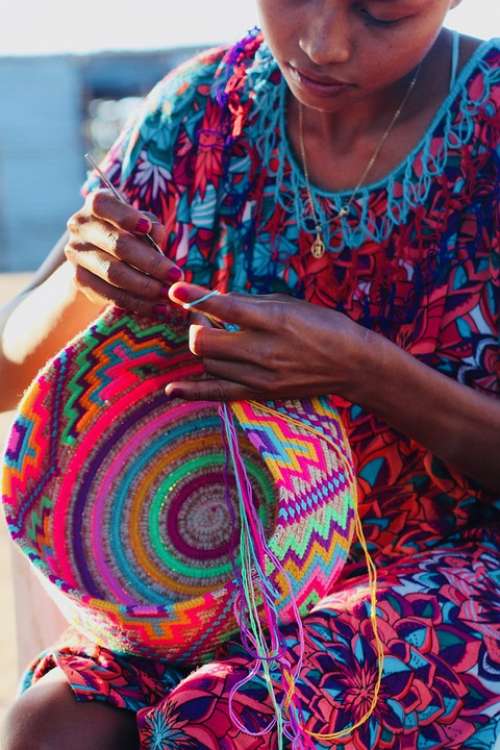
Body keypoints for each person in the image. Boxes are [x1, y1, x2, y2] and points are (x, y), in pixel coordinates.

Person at [1, 0, 499, 748]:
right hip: (209, 557)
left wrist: (371, 373)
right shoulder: (198, 114)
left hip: (458, 559)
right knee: (51, 727)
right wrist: (84, 274)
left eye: (384, 11)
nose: (324, 43)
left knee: (227, 722)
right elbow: (11, 375)